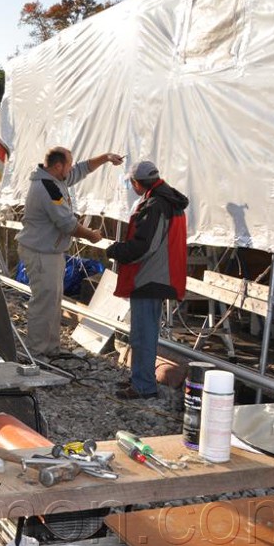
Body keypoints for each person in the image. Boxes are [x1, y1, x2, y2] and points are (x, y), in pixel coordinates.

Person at [16, 146, 124, 358]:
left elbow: (81, 170)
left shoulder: (55, 179)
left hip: (50, 251)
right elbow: (67, 224)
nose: (72, 168)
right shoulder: (48, 189)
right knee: (43, 302)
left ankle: (51, 348)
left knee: (53, 300)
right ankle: (36, 351)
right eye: (69, 164)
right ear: (58, 167)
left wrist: (105, 157)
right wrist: (91, 235)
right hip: (41, 253)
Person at [106, 160, 188, 399]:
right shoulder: (168, 201)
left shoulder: (155, 204)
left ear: (137, 183)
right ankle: (141, 380)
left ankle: (143, 386)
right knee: (144, 332)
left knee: (143, 334)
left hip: (149, 277)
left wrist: (116, 250)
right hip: (160, 276)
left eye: (132, 184)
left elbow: (144, 246)